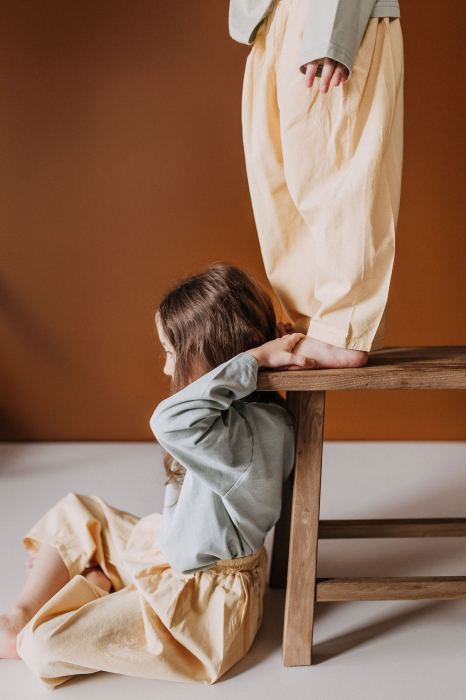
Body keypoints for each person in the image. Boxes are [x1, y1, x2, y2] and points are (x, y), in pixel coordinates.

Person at [0, 264, 314, 687]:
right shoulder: (246, 414)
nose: (168, 370)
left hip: (204, 604)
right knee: (78, 511)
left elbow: (168, 421)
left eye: (171, 354)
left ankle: (91, 589)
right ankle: (22, 613)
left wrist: (254, 359)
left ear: (218, 359)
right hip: (174, 551)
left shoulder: (246, 436)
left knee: (41, 647)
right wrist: (252, 360)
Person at [231, 0, 403, 368]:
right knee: (279, 188)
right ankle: (313, 323)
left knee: (336, 177)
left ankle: (341, 330)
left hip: (324, 10)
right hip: (269, 19)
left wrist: (333, 28)